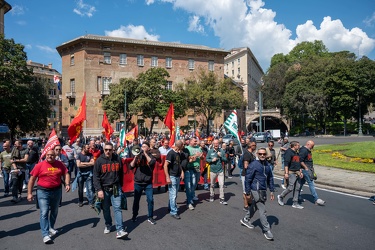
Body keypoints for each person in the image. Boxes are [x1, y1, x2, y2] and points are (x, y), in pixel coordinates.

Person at [27, 150, 70, 244]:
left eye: (52, 155)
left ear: (55, 156)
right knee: (44, 212)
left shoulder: (60, 164)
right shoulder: (39, 165)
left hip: (57, 191)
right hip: (43, 191)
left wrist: (67, 183)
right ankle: (45, 234)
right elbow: (32, 179)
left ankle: (51, 227)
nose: (49, 156)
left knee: (55, 211)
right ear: (45, 155)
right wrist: (29, 193)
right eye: (48, 155)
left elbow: (66, 173)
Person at [93, 142, 128, 239]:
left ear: (113, 150)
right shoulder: (99, 161)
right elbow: (95, 177)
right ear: (103, 150)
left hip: (116, 188)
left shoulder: (117, 159)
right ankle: (108, 224)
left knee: (117, 208)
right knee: (106, 209)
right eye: (106, 150)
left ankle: (120, 230)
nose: (108, 151)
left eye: (110, 150)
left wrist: (121, 185)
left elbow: (121, 173)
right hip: (104, 189)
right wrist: (99, 190)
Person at [240, 148, 275, 241]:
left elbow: (270, 178)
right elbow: (248, 179)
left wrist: (271, 191)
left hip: (263, 189)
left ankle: (245, 219)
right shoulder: (254, 165)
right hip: (255, 189)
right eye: (260, 154)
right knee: (262, 209)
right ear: (257, 154)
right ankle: (267, 230)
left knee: (255, 206)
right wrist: (247, 192)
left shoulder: (267, 165)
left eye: (264, 154)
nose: (262, 155)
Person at [130, 142, 156, 224]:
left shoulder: (151, 156)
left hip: (148, 183)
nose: (142, 148)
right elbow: (131, 166)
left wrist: (145, 154)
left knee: (150, 200)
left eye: (145, 147)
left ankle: (150, 217)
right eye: (142, 147)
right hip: (138, 182)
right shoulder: (138, 156)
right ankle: (134, 216)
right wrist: (135, 158)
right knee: (136, 200)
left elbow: (151, 162)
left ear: (148, 148)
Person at [277, 141, 304, 209]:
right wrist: (286, 173)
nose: (299, 146)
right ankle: (281, 197)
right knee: (290, 188)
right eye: (298, 145)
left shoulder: (296, 153)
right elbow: (286, 163)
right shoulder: (288, 152)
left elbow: (298, 163)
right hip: (291, 172)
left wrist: (300, 171)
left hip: (297, 172)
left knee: (297, 188)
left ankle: (295, 203)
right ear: (294, 146)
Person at [163, 140, 186, 219]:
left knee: (174, 194)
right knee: (173, 194)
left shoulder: (178, 153)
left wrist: (182, 172)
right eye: (182, 145)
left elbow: (179, 163)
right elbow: (165, 165)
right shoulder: (171, 153)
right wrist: (167, 177)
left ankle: (170, 207)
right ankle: (174, 211)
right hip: (172, 176)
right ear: (179, 146)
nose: (183, 146)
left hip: (177, 175)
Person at [298, 140, 325, 206]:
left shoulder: (307, 150)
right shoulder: (304, 150)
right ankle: (316, 199)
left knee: (301, 183)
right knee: (311, 183)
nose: (312, 148)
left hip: (308, 169)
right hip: (306, 169)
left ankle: (297, 196)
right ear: (308, 144)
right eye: (312, 146)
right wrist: (306, 168)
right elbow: (300, 160)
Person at [206, 139, 228, 204]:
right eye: (215, 143)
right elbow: (207, 159)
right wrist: (211, 160)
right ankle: (212, 195)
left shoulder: (221, 151)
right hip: (213, 171)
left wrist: (221, 156)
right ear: (213, 144)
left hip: (220, 171)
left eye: (217, 143)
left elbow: (225, 160)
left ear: (219, 144)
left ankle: (222, 198)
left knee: (221, 185)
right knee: (212, 185)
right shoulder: (210, 151)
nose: (216, 145)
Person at [184, 137, 204, 210]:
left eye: (196, 141)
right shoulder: (187, 148)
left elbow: (202, 157)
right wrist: (195, 155)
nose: (196, 142)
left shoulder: (198, 148)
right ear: (190, 141)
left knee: (195, 183)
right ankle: (190, 198)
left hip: (197, 168)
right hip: (190, 168)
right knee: (191, 183)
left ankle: (192, 194)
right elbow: (188, 158)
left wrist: (201, 156)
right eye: (195, 141)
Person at [241, 141, 257, 211]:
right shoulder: (247, 154)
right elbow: (246, 166)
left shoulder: (251, 154)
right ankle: (246, 205)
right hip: (246, 175)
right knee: (246, 192)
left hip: (251, 175)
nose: (255, 146)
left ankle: (249, 204)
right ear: (251, 146)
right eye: (254, 145)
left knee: (250, 191)